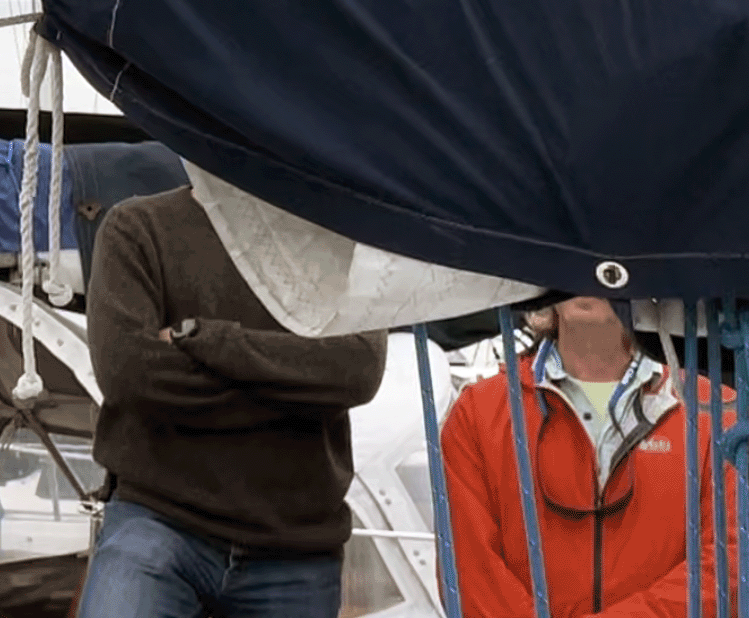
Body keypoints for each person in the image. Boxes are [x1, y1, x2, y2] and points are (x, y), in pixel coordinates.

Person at [76, 187, 389, 618]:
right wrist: (292, 387)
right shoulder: (136, 228)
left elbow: (357, 369)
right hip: (160, 521)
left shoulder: (336, 238)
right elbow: (130, 377)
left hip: (294, 547)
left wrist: (204, 338)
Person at [442, 296, 729, 617]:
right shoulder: (478, 414)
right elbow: (468, 565)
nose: (588, 280)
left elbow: (730, 558)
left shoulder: (717, 415)